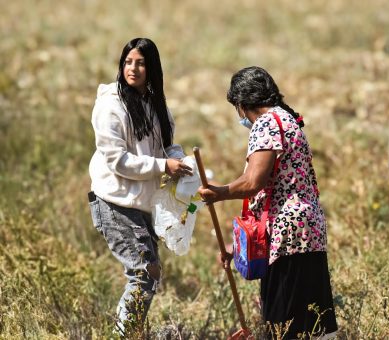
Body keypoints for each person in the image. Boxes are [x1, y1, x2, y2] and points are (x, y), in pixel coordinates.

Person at [198, 66, 338, 339]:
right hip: (308, 232)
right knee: (313, 324)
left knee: (284, 325)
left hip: (286, 237)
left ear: (241, 104)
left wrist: (219, 192)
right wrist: (236, 248)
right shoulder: (288, 119)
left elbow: (254, 182)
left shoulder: (266, 123)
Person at [88, 38, 192, 333]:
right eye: (128, 62)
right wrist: (163, 166)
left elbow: (166, 146)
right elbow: (117, 161)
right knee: (143, 273)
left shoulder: (156, 104)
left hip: (142, 202)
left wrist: (179, 162)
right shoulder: (111, 106)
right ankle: (124, 334)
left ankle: (130, 331)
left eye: (141, 63)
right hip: (116, 201)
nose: (133, 68)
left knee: (150, 274)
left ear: (152, 68)